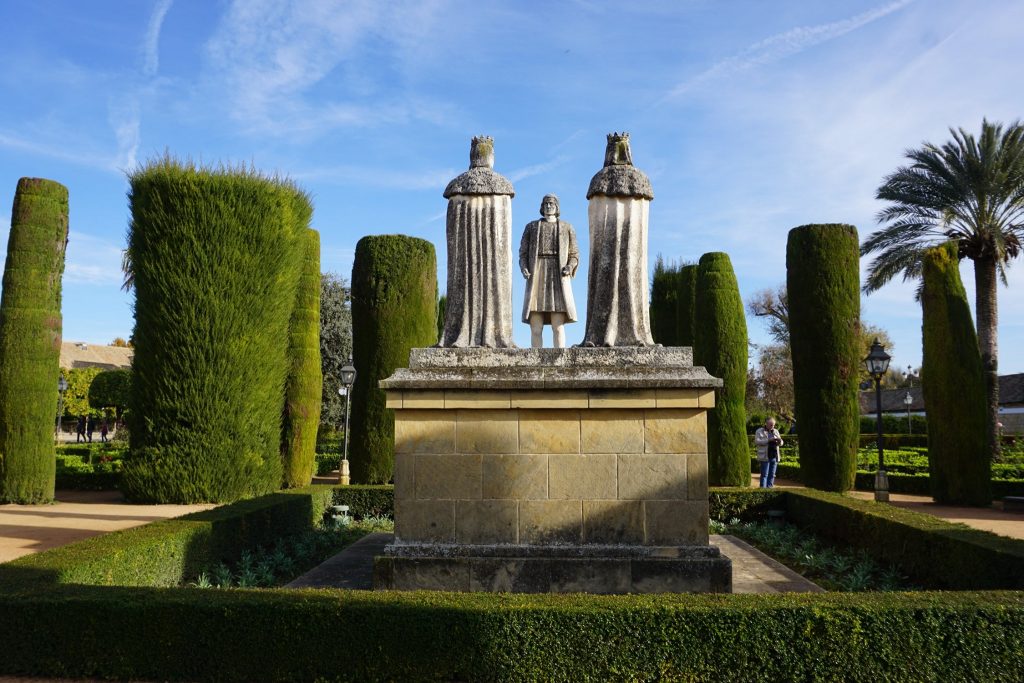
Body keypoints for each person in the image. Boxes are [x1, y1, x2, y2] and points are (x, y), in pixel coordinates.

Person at [519, 194, 579, 348]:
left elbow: (574, 254)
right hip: (537, 274)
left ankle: (559, 361)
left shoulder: (567, 227)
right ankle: (536, 360)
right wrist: (524, 267)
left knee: (558, 326)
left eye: (551, 203)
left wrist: (570, 266)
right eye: (545, 204)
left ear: (557, 206)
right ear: (541, 206)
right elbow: (523, 253)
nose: (548, 206)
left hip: (558, 276)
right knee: (535, 327)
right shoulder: (531, 227)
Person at [754, 417, 784, 488]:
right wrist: (768, 440)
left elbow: (782, 443)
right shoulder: (759, 431)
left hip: (774, 456)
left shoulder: (776, 431)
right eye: (771, 425)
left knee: (772, 475)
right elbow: (757, 442)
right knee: (764, 475)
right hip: (765, 456)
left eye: (773, 425)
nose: (772, 426)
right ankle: (762, 491)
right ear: (766, 424)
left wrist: (779, 441)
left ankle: (770, 490)